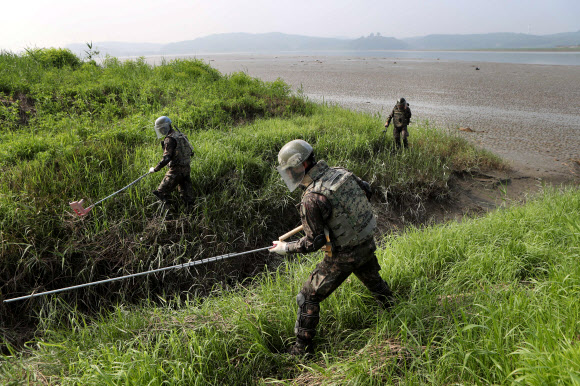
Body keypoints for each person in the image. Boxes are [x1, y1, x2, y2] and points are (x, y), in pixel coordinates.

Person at [270, 139, 394, 356]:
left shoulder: (311, 198)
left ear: (302, 165)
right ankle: (395, 309)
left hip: (345, 254)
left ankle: (301, 349)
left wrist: (285, 248)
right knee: (373, 280)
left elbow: (313, 242)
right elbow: (366, 191)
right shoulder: (340, 173)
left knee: (307, 296)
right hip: (366, 242)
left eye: (291, 169)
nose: (289, 175)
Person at [149, 116, 195, 209]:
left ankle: (167, 215)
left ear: (166, 127)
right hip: (186, 168)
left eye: (162, 128)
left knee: (161, 192)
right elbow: (190, 152)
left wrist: (155, 169)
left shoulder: (169, 139)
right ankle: (192, 213)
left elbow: (167, 158)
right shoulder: (181, 135)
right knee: (186, 195)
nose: (161, 131)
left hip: (176, 170)